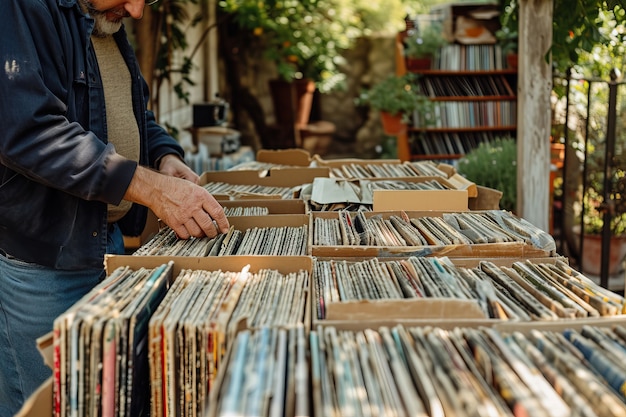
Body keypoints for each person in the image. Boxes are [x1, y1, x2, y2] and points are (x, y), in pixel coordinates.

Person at [0, 0, 230, 415]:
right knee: (50, 404)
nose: (138, 11)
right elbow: (27, 132)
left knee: (96, 402)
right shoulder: (21, 9)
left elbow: (130, 110)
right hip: (45, 259)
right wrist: (151, 189)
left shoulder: (105, 19)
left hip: (106, 244)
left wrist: (164, 156)